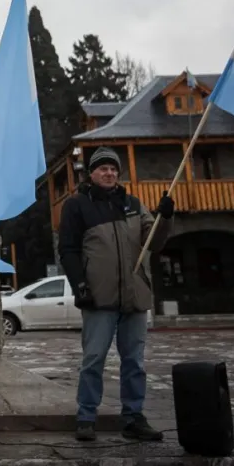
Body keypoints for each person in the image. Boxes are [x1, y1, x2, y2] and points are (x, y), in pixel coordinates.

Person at [57, 146, 174, 442]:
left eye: (113, 169)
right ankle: (86, 416)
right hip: (99, 297)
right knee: (93, 358)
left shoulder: (134, 204)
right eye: (103, 168)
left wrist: (166, 218)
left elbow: (154, 242)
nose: (109, 173)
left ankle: (133, 418)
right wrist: (80, 285)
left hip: (134, 296)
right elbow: (68, 250)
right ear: (92, 173)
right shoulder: (77, 205)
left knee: (134, 361)